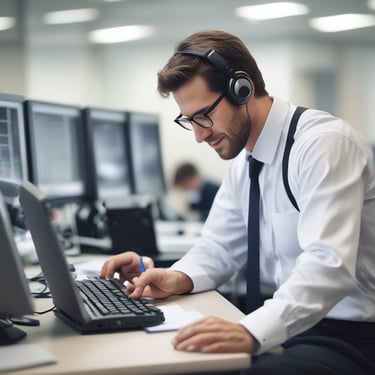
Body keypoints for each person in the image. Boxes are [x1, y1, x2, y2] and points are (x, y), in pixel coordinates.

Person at [100, 30, 375, 374]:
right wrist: (175, 276)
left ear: (241, 89)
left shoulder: (323, 145)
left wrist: (251, 330)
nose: (200, 136)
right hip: (293, 327)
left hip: (351, 337)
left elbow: (328, 267)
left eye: (203, 116)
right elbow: (218, 247)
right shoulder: (247, 163)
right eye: (190, 122)